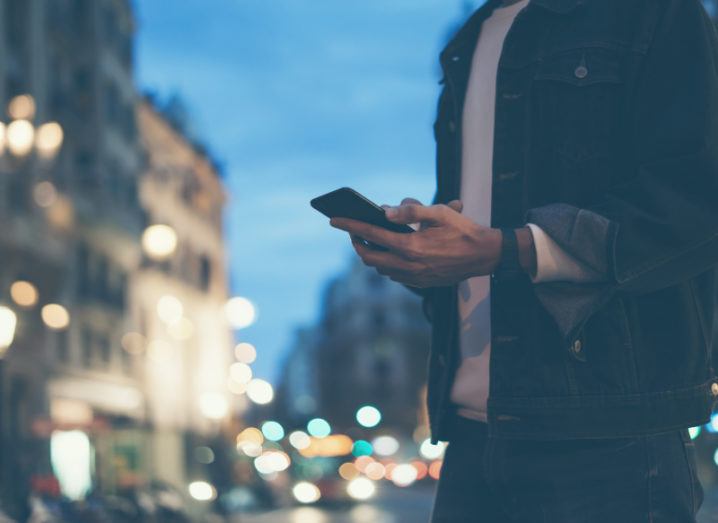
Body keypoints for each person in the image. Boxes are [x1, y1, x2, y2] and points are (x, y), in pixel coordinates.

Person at [330, 0, 718, 521]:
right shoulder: (471, 37)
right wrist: (428, 253)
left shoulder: (651, 11)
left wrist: (510, 248)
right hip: (471, 432)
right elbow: (483, 213)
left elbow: (696, 198)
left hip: (608, 429)